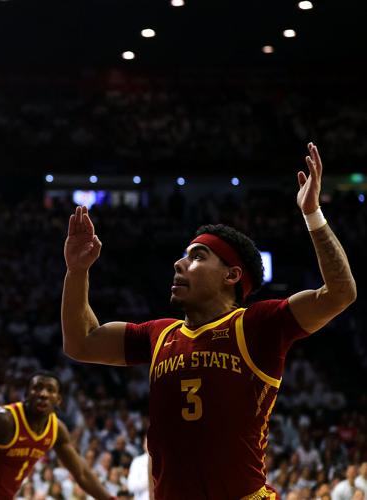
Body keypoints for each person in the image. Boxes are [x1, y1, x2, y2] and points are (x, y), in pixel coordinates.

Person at [60, 143, 356, 499]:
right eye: (183, 257)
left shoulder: (257, 325)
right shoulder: (159, 334)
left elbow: (340, 293)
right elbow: (81, 342)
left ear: (231, 275)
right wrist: (77, 272)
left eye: (197, 257)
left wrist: (313, 216)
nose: (179, 264)